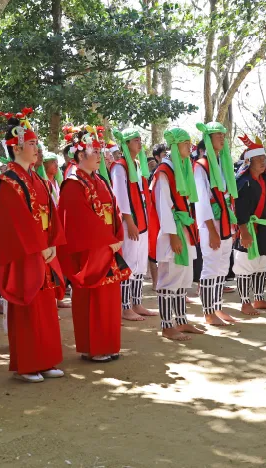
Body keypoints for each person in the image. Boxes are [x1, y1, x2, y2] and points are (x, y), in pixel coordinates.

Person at [0, 113, 66, 383]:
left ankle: (46, 359)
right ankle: (28, 364)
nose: (37, 149)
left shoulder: (38, 178)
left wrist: (52, 242)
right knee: (27, 304)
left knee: (44, 306)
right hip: (25, 252)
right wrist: (40, 246)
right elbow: (14, 221)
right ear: (16, 147)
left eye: (37, 144)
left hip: (43, 248)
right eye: (32, 144)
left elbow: (51, 212)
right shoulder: (8, 181)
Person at [58, 139, 130, 361]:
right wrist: (106, 239)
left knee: (107, 299)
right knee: (92, 297)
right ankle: (93, 347)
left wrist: (117, 236)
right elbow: (79, 219)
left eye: (100, 151)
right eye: (94, 151)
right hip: (90, 248)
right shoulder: (72, 183)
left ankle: (107, 344)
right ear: (79, 156)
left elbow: (114, 209)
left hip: (107, 245)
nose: (100, 155)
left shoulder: (100, 179)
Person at [148, 128, 205, 340]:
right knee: (169, 278)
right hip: (172, 231)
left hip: (185, 228)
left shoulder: (183, 168)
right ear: (175, 145)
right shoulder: (164, 171)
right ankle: (166, 325)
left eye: (190, 143)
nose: (190, 147)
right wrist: (173, 235)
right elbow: (163, 206)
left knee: (183, 278)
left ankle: (181, 321)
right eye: (185, 143)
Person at [194, 122, 239, 324]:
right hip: (211, 224)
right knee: (211, 266)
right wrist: (212, 230)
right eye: (217, 135)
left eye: (223, 134)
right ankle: (208, 312)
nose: (222, 137)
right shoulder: (201, 166)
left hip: (225, 222)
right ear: (208, 139)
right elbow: (202, 202)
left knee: (222, 268)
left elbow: (228, 197)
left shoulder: (223, 163)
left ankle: (217, 307)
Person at [233, 135, 266, 316]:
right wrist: (244, 231)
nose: (263, 162)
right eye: (259, 159)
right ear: (249, 162)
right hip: (248, 228)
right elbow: (239, 209)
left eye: (264, 159)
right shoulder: (243, 183)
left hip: (263, 228)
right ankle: (245, 302)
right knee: (245, 264)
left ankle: (259, 298)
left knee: (262, 262)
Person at [111, 128, 156, 321]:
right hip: (131, 222)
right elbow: (120, 197)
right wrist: (129, 222)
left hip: (142, 220)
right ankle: (125, 306)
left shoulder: (137, 164)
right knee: (128, 263)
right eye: (135, 140)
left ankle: (137, 303)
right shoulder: (120, 166)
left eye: (140, 139)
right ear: (126, 143)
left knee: (139, 265)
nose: (139, 142)